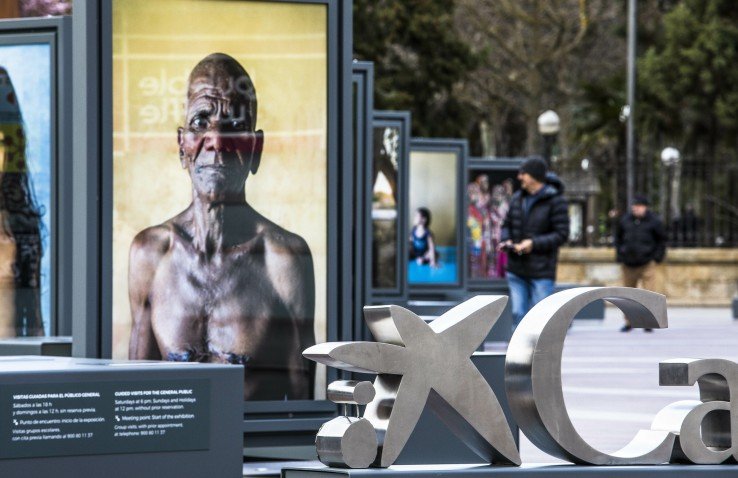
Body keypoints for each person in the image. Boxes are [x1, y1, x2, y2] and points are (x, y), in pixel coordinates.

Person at [128, 53, 315, 400]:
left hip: (253, 452)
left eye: (233, 125)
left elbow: (300, 404)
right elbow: (139, 398)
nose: (216, 141)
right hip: (174, 448)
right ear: (182, 146)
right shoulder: (150, 254)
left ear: (255, 149)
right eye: (201, 122)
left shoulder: (284, 258)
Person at [498, 157, 569, 330]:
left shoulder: (556, 201)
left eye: (524, 173)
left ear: (534, 176)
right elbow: (506, 224)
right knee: (518, 314)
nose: (519, 176)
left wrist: (533, 243)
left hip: (542, 271)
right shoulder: (517, 198)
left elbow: (561, 234)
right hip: (516, 269)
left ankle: (539, 355)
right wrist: (506, 240)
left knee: (541, 318)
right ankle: (518, 355)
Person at [615, 194, 666, 332]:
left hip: (647, 263)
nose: (635, 209)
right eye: (634, 206)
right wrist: (620, 255)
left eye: (638, 206)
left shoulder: (654, 221)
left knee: (649, 294)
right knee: (627, 295)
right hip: (628, 263)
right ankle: (628, 322)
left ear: (645, 207)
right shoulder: (625, 220)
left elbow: (662, 240)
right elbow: (618, 238)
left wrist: (657, 257)